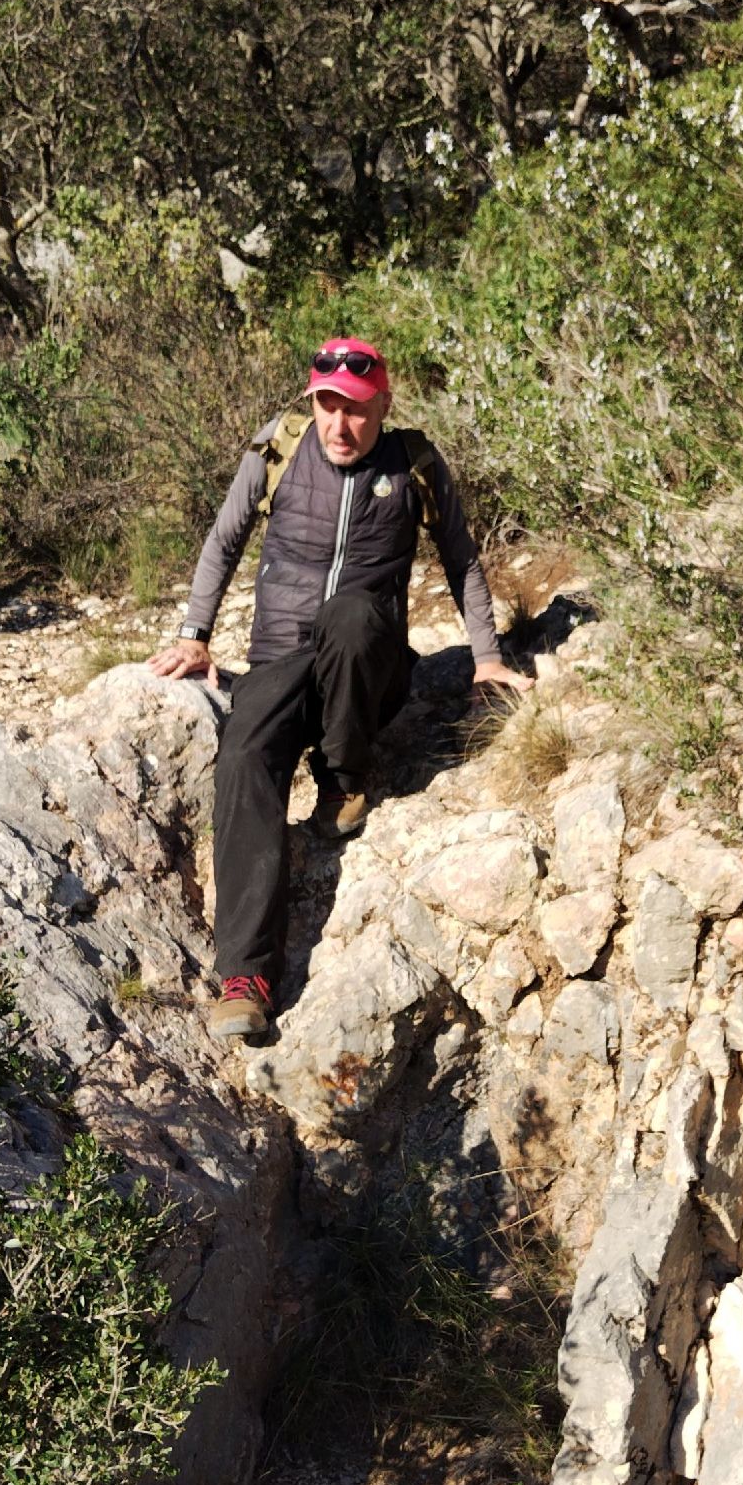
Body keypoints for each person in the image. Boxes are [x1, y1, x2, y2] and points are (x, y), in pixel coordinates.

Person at [149, 337, 528, 1044]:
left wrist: (486, 658)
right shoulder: (280, 446)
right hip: (279, 659)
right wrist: (195, 633)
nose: (339, 424)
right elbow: (225, 538)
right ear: (312, 403)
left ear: (383, 405)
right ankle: (246, 977)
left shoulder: (413, 464)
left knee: (351, 613)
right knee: (244, 757)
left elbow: (461, 558)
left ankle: (344, 778)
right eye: (327, 406)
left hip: (369, 664)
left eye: (355, 409)